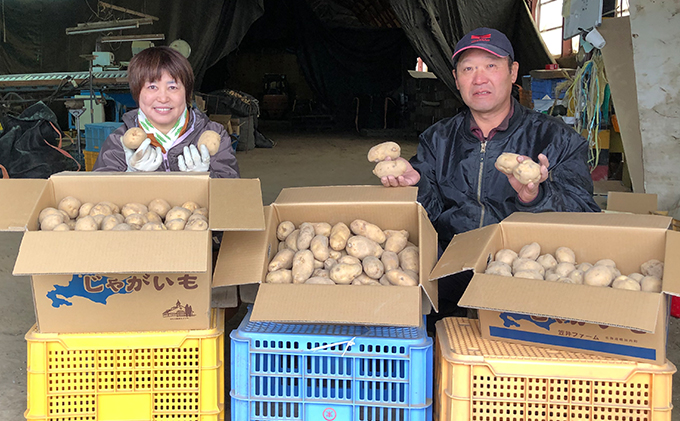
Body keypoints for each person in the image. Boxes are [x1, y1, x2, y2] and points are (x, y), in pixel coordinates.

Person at [380, 27, 601, 323]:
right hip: (448, 277)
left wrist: (537, 197)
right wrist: (416, 186)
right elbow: (424, 220)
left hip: (524, 278)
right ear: (457, 79)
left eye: (491, 66)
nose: (479, 78)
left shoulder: (556, 138)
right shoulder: (437, 139)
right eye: (468, 69)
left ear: (512, 72)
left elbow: (586, 214)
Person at [93, 46, 239, 178]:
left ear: (187, 93)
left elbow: (233, 192)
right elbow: (98, 197)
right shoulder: (119, 140)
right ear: (137, 93)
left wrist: (207, 177)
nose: (163, 98)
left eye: (173, 87)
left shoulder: (213, 133)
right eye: (152, 87)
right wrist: (130, 175)